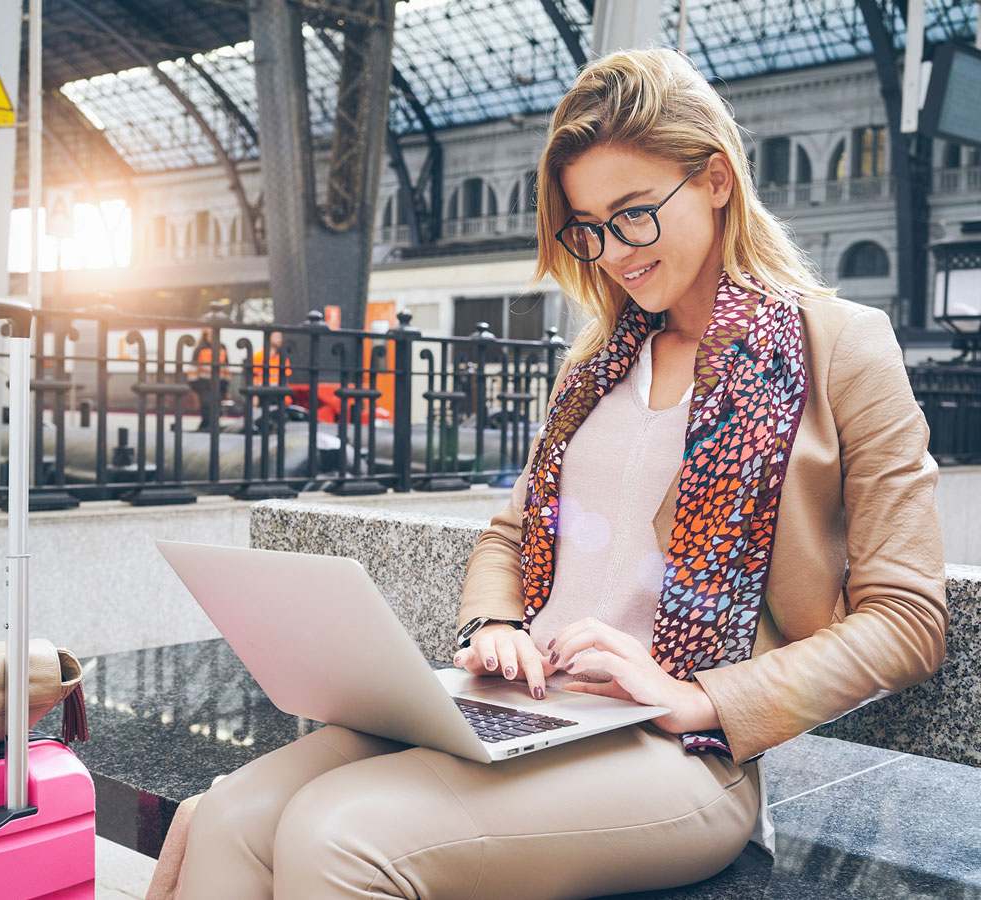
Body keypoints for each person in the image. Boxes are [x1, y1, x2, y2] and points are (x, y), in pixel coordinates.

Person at [164, 48, 946, 899]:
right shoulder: (598, 367)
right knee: (235, 812)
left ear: (717, 179)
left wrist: (700, 698)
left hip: (679, 751)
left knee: (338, 834)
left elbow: (908, 620)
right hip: (525, 708)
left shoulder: (842, 348)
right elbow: (511, 533)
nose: (612, 252)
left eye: (634, 213)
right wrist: (491, 626)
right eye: (589, 227)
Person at [190, 328, 228, 431]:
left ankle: (207, 430)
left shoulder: (222, 348)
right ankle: (207, 430)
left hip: (219, 385)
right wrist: (197, 386)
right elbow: (193, 369)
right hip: (203, 385)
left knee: (216, 410)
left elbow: (226, 368)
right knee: (207, 408)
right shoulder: (200, 348)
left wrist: (225, 387)